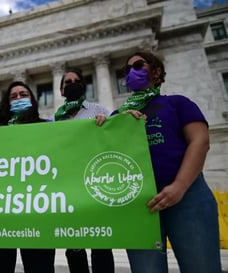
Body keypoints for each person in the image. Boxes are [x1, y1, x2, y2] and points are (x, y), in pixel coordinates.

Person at [114, 51, 222, 273]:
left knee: (201, 267)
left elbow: (200, 141)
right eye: (127, 70)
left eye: (138, 65)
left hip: (187, 195)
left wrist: (179, 186)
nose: (131, 72)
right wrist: (105, 126)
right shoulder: (119, 115)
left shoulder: (177, 103)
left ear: (156, 71)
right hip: (138, 202)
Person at [0, 81, 55, 273]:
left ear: (32, 99)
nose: (18, 99)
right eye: (13, 96)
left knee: (40, 268)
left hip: (36, 208)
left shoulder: (48, 128)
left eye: (23, 94)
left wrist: (100, 124)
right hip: (0, 209)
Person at [54, 67, 114, 273]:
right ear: (61, 90)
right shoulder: (57, 119)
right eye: (67, 82)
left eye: (76, 81)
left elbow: (117, 139)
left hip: (96, 183)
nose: (71, 85)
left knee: (101, 246)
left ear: (83, 85)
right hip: (69, 188)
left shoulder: (100, 110)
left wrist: (110, 124)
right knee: (74, 247)